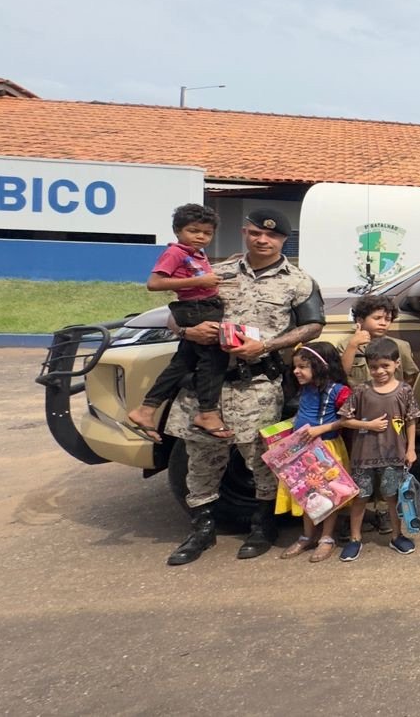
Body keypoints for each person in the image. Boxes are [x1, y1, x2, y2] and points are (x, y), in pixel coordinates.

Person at [166, 208, 325, 566]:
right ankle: (202, 530)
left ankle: (262, 526)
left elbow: (314, 325)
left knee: (262, 459)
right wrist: (186, 331)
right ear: (245, 233)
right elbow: (174, 314)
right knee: (201, 459)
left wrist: (266, 346)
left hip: (257, 385)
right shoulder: (211, 274)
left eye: (272, 236)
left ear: (284, 240)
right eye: (256, 233)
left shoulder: (298, 281)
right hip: (207, 387)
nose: (263, 240)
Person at [126, 204, 230, 442]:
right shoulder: (176, 252)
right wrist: (202, 281)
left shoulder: (196, 254)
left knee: (181, 363)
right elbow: (154, 283)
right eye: (194, 230)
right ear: (177, 230)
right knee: (214, 359)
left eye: (207, 233)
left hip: (201, 306)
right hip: (195, 309)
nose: (201, 236)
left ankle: (146, 410)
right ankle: (207, 412)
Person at [337, 337, 420, 560]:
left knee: (392, 497)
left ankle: (396, 535)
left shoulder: (404, 390)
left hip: (394, 455)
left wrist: (411, 448)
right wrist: (368, 425)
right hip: (363, 456)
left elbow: (411, 420)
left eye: (385, 365)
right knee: (360, 498)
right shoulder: (361, 390)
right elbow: (345, 419)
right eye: (373, 367)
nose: (379, 371)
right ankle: (355, 540)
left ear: (397, 364)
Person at [276, 341, 351, 563]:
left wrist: (323, 428)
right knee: (306, 494)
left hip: (325, 450)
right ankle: (307, 535)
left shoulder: (339, 391)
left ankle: (326, 538)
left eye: (302, 367)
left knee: (327, 495)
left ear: (320, 366)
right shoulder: (305, 388)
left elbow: (349, 420)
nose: (296, 371)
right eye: (295, 367)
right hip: (301, 451)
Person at [339, 293, 419, 387]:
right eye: (377, 318)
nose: (383, 323)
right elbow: (341, 376)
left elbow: (410, 377)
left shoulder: (400, 346)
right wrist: (353, 345)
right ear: (360, 320)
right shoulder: (347, 345)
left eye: (388, 319)